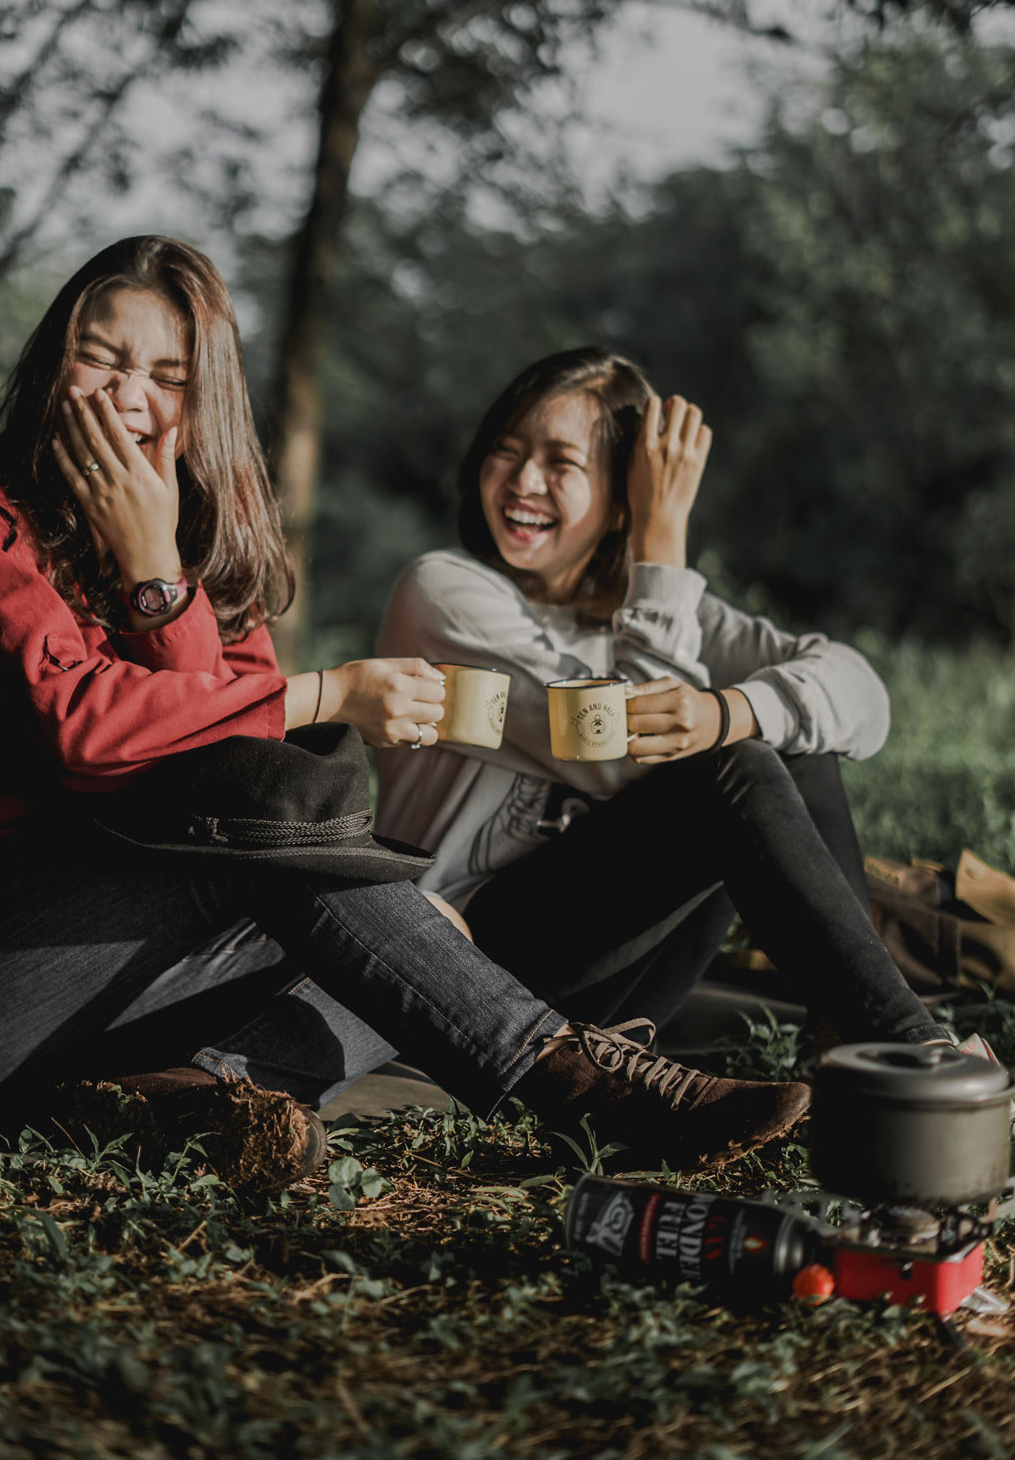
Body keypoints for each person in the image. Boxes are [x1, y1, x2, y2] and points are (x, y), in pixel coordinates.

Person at [0, 250, 811, 1188]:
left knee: (423, 923)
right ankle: (574, 1081)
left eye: (165, 375)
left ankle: (181, 1098)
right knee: (308, 856)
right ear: (51, 361)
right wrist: (328, 692)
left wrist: (158, 567)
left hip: (93, 1000)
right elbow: (88, 731)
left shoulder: (198, 546)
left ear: (202, 403)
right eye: (100, 357)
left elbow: (240, 762)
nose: (127, 395)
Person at [375, 347, 955, 1056]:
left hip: (618, 985)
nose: (524, 480)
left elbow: (863, 696)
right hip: (462, 964)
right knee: (727, 765)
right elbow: (621, 755)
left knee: (786, 736)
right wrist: (663, 536)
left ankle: (849, 1037)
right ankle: (907, 1047)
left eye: (561, 462)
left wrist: (729, 710)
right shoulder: (443, 591)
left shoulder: (672, 609)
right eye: (506, 450)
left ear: (622, 495)